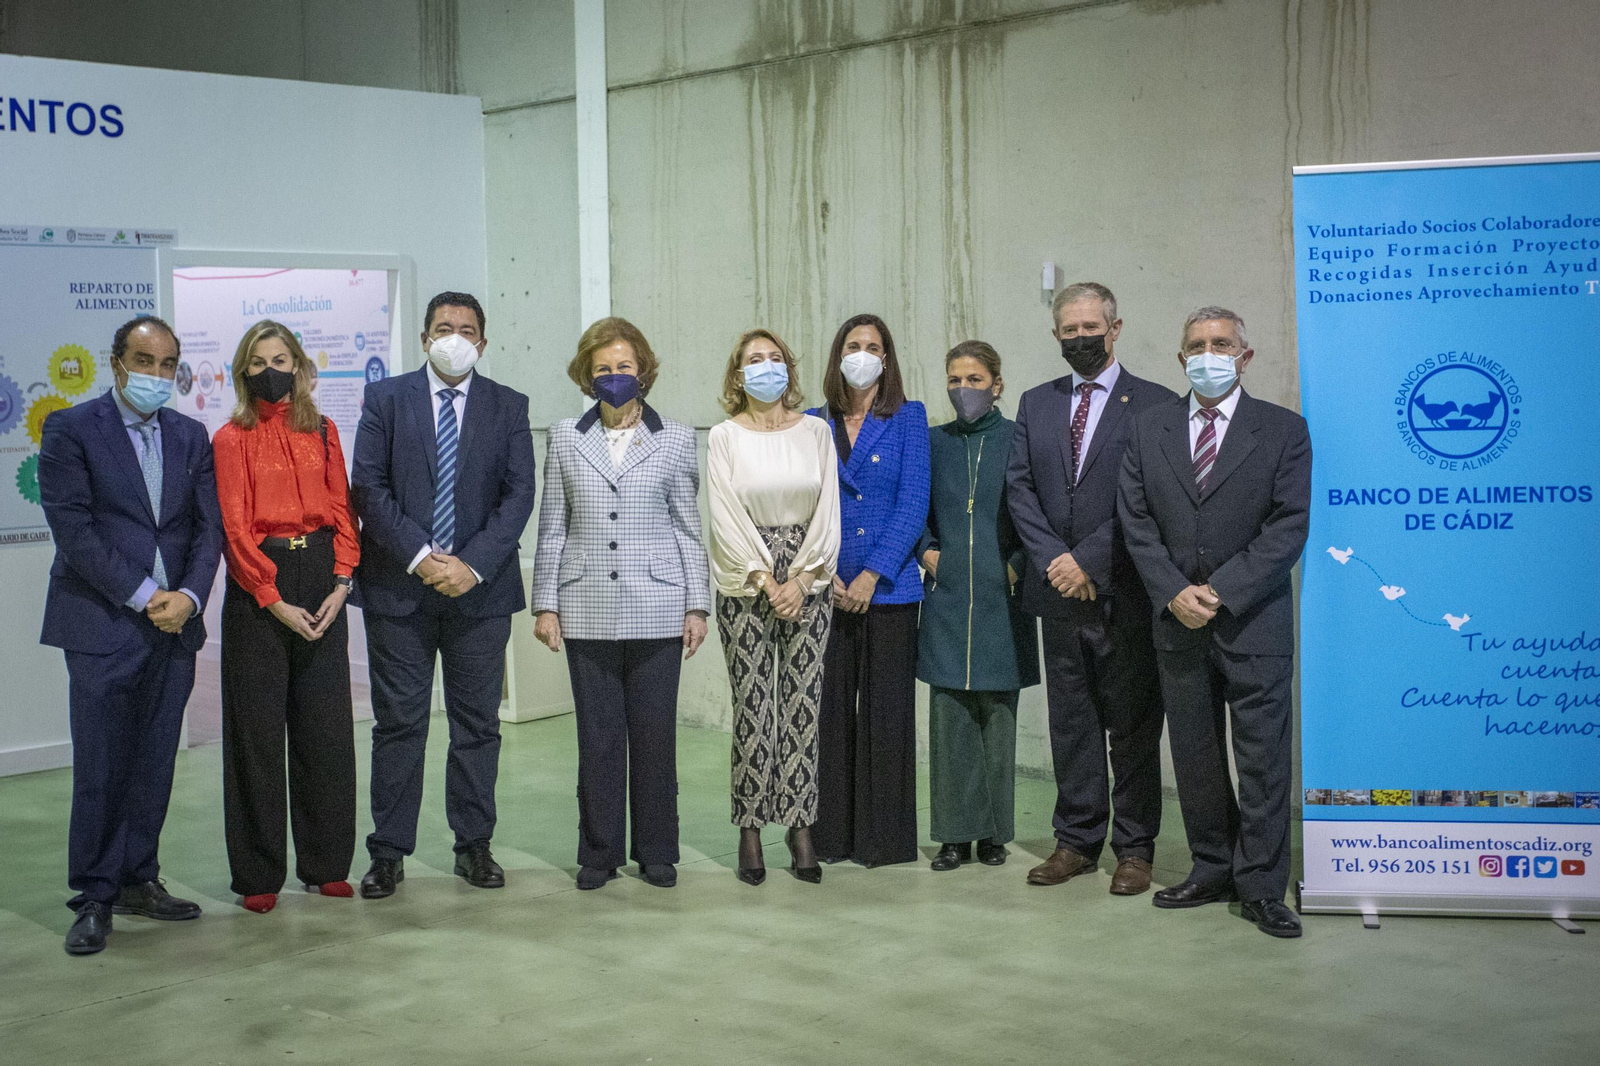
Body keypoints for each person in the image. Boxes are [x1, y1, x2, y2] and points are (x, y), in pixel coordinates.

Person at [1117, 306, 1311, 938]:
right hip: (1176, 622)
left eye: (1221, 344)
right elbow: (1136, 520)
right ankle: (1210, 866)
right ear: (1180, 359)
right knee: (1195, 756)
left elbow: (1288, 526)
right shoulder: (1149, 429)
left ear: (1245, 357)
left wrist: (1221, 591)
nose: (1208, 354)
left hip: (1254, 622)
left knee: (1261, 762)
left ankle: (1259, 885)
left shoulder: (1283, 430)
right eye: (1196, 344)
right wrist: (1173, 590)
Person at [38, 315, 224, 955]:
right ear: (115, 362)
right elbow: (76, 533)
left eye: (168, 364)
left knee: (152, 763)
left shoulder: (191, 435)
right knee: (101, 765)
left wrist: (191, 596)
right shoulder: (69, 429)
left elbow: (209, 530)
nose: (156, 374)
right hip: (102, 623)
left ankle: (139, 877)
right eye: (144, 361)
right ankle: (94, 895)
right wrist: (148, 597)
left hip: (177, 627)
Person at [350, 291, 537, 899]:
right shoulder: (386, 399)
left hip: (479, 595)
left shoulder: (509, 406)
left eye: (466, 329)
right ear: (425, 337)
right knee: (399, 724)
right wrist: (423, 557)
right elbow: (368, 488)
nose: (454, 337)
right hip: (398, 590)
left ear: (482, 342)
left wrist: (471, 566)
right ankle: (388, 852)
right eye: (442, 327)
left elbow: (517, 497)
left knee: (477, 725)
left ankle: (473, 845)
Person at [1006, 282, 1176, 895]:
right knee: (1071, 722)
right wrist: (1056, 559)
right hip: (1057, 592)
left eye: (1090, 328)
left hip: (1126, 591)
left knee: (1132, 725)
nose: (1080, 338)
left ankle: (1135, 848)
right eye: (1068, 330)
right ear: (1056, 334)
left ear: (1116, 326)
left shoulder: (1156, 403)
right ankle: (1076, 840)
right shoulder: (1036, 402)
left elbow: (1151, 499)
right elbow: (1020, 489)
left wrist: (1089, 560)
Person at [530, 317, 711, 891]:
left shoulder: (678, 438)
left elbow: (688, 528)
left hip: (659, 604)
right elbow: (552, 527)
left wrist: (697, 605)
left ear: (643, 371)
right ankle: (599, 851)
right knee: (598, 738)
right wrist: (545, 604)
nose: (614, 376)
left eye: (624, 367)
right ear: (588, 374)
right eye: (603, 368)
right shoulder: (564, 437)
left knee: (655, 736)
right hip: (585, 606)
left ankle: (657, 849)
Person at [212, 320, 360, 914]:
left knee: (325, 730)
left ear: (299, 367)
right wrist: (271, 598)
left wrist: (343, 580)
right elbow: (234, 524)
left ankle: (326, 864)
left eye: (280, 358)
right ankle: (258, 873)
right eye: (257, 361)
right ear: (244, 373)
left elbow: (342, 509)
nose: (270, 369)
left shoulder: (323, 431)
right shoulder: (230, 438)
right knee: (256, 734)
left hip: (322, 577)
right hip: (260, 589)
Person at [708, 328, 839, 885]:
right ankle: (751, 824)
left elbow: (827, 506)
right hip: (746, 578)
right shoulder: (723, 436)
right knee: (754, 704)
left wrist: (804, 577)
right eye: (754, 360)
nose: (766, 367)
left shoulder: (816, 431)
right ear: (738, 375)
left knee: (803, 704)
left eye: (775, 358)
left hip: (809, 575)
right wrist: (767, 579)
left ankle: (800, 821)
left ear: (790, 367)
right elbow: (724, 514)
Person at [808, 313, 929, 868]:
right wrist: (820, 570)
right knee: (829, 715)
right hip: (825, 589)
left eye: (873, 346)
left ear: (888, 357)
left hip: (890, 590)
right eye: (853, 345)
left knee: (887, 715)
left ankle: (885, 840)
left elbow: (913, 503)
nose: (863, 354)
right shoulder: (812, 423)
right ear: (837, 357)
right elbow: (802, 505)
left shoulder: (908, 418)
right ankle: (829, 836)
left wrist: (872, 572)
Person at [916, 341, 1040, 872]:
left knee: (997, 721)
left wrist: (1016, 567)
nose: (962, 389)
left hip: (1002, 599)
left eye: (973, 379)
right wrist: (927, 553)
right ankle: (952, 836)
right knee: (950, 722)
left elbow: (1040, 516)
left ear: (997, 384)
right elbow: (911, 507)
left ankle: (992, 835)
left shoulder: (1019, 441)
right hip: (947, 599)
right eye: (954, 379)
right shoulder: (931, 443)